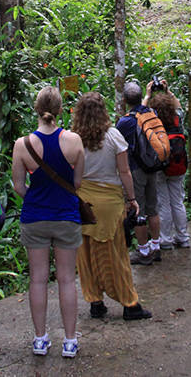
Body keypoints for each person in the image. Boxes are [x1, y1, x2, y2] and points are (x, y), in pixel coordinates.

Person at [12, 86, 85, 358]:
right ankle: (69, 341)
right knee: (66, 279)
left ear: (36, 109)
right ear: (60, 110)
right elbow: (77, 183)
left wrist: (37, 196)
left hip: (35, 217)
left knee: (38, 280)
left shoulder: (22, 145)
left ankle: (40, 339)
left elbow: (19, 186)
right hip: (66, 215)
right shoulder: (74, 141)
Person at [71, 92, 151, 320]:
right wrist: (132, 199)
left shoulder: (72, 138)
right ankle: (129, 303)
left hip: (82, 202)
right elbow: (124, 171)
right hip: (109, 203)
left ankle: (95, 302)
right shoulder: (113, 136)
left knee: (85, 254)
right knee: (115, 255)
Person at [116, 80, 162, 266]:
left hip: (136, 170)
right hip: (153, 166)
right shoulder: (152, 113)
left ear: (125, 99)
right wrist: (148, 97)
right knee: (153, 209)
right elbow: (142, 110)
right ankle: (156, 246)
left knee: (138, 210)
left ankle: (144, 251)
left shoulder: (125, 122)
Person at [149, 90, 189, 249]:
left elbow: (140, 114)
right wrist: (169, 92)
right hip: (178, 165)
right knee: (178, 201)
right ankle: (183, 237)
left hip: (160, 166)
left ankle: (165, 239)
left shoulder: (153, 121)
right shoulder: (178, 118)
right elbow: (178, 106)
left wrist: (147, 95)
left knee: (163, 203)